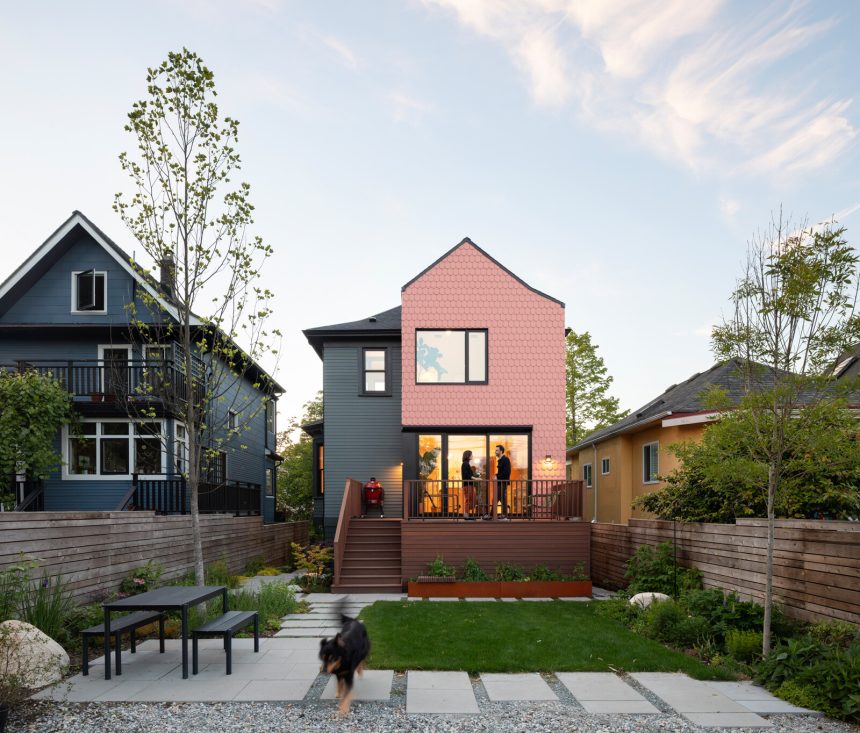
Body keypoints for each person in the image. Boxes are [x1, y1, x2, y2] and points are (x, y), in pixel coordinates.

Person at [495, 445, 511, 520]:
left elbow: (507, 472)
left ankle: (500, 515)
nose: (495, 452)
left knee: (498, 498)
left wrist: (497, 477)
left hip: (503, 482)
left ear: (501, 451)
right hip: (499, 482)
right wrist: (496, 476)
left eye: (497, 450)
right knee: (500, 498)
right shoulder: (500, 460)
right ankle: (502, 515)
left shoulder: (505, 460)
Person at [461, 450, 477, 519]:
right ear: (468, 455)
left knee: (471, 499)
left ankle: (467, 514)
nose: (472, 456)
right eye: (471, 455)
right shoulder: (465, 464)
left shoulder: (466, 464)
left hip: (468, 484)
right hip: (467, 485)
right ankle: (466, 515)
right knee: (469, 499)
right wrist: (474, 478)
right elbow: (466, 474)